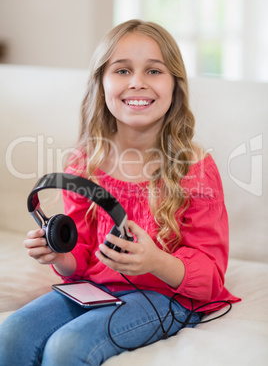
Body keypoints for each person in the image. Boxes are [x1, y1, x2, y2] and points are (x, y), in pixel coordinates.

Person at [0, 19, 240, 365]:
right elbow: (79, 258)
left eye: (154, 71)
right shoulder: (85, 163)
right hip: (96, 287)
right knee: (11, 334)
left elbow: (210, 280)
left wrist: (155, 260)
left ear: (175, 85)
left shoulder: (194, 168)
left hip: (165, 295)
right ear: (101, 83)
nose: (138, 82)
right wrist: (59, 255)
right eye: (122, 70)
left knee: (66, 347)